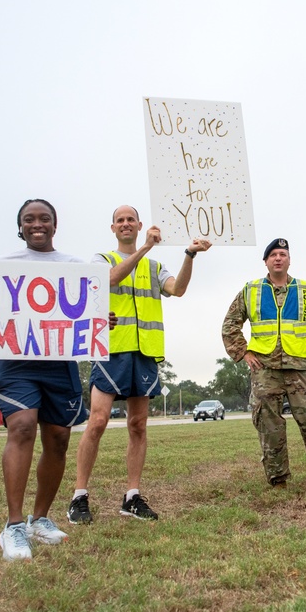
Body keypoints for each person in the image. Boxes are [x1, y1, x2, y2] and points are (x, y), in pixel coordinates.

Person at [0, 199, 107, 561]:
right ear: (20, 226)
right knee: (22, 427)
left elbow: (88, 313)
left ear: (55, 225)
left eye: (44, 218)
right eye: (29, 219)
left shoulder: (75, 267)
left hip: (59, 364)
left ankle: (39, 519)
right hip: (15, 361)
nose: (36, 224)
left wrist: (102, 321)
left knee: (57, 440)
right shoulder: (3, 267)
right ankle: (12, 527)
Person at [66, 205, 211, 525]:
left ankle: (131, 497)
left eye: (131, 219)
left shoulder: (155, 266)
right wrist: (145, 246)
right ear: (113, 228)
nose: (126, 223)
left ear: (139, 223)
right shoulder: (102, 260)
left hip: (144, 352)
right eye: (120, 220)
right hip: (111, 350)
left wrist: (189, 254)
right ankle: (79, 496)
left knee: (138, 425)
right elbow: (108, 280)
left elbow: (179, 289)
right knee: (98, 421)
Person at [220, 238, 306, 498]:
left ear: (289, 260)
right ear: (266, 262)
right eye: (273, 255)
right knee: (269, 426)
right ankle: (277, 480)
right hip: (264, 368)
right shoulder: (251, 290)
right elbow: (230, 324)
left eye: (283, 254)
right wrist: (242, 352)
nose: (278, 258)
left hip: (299, 368)